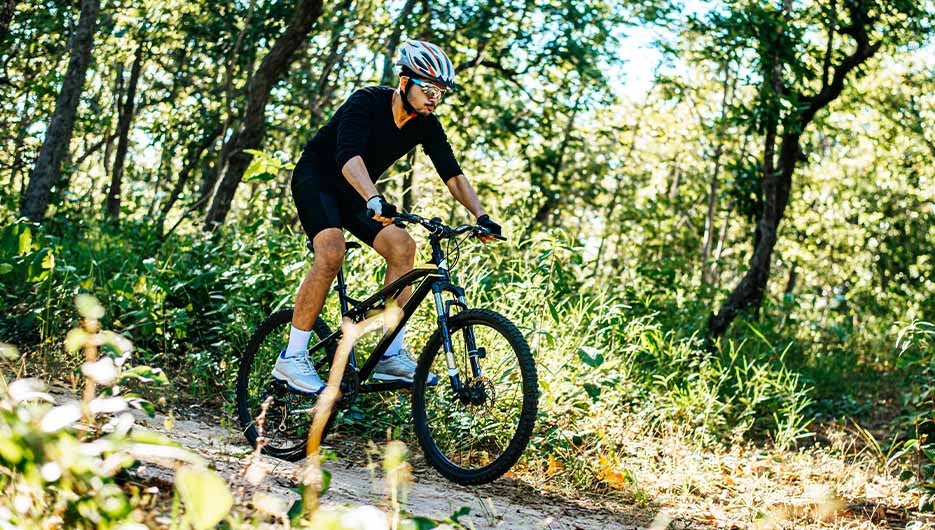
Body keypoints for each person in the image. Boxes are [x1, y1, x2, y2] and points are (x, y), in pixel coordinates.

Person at [272, 40, 502, 394]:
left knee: (403, 247)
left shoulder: (426, 124)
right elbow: (348, 157)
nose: (434, 98)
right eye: (428, 89)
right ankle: (293, 356)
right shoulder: (367, 102)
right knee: (332, 252)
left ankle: (389, 355)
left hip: (357, 192)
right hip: (317, 177)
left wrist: (481, 215)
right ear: (405, 80)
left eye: (440, 92)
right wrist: (374, 197)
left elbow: (452, 174)